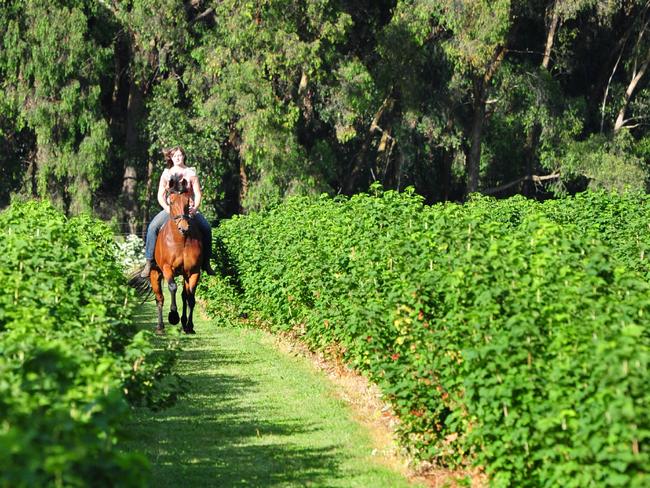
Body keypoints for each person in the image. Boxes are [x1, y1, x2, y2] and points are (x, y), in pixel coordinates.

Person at [141, 146, 216, 277]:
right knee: (152, 227)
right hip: (171, 210)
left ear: (183, 156)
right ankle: (149, 262)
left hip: (189, 210)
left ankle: (206, 263)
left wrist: (195, 208)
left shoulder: (191, 173)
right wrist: (166, 208)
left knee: (206, 228)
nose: (177, 158)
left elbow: (198, 193)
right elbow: (160, 195)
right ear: (170, 157)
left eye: (180, 155)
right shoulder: (166, 174)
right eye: (174, 156)